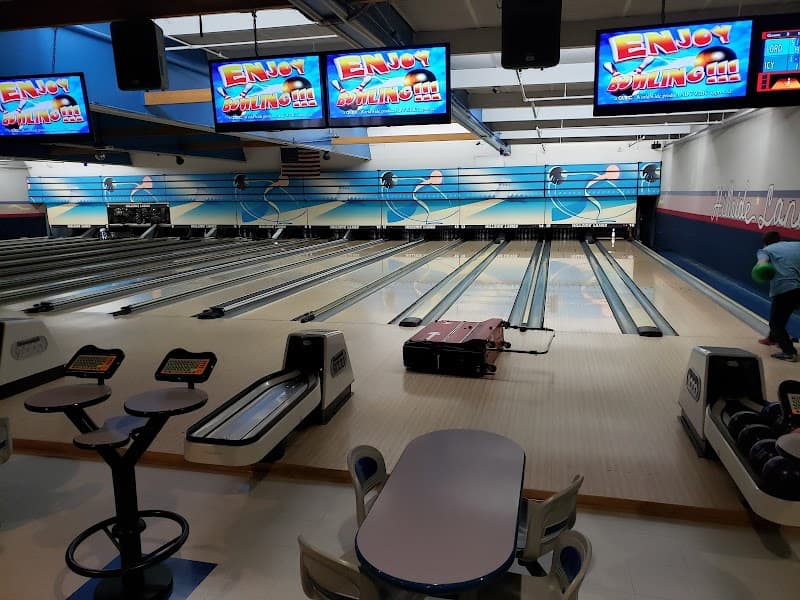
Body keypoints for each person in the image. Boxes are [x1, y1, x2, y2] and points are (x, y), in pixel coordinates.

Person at [756, 231, 800, 361]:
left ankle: (789, 352)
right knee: (780, 316)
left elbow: (762, 264)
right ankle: (771, 339)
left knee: (776, 323)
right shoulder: (795, 245)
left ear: (765, 243)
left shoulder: (765, 251)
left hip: (785, 288)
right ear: (779, 239)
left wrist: (761, 269)